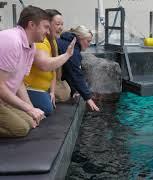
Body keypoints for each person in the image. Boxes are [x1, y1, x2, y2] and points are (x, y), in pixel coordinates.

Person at [0, 6, 49, 137]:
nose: (48, 32)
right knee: (20, 129)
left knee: (31, 122)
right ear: (32, 25)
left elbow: (19, 81)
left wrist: (31, 109)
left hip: (5, 100)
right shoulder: (11, 41)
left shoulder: (30, 46)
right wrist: (28, 109)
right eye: (45, 27)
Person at [24, 9, 73, 116]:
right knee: (48, 109)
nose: (61, 27)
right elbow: (45, 65)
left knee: (65, 93)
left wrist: (52, 91)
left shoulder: (53, 41)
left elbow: (53, 70)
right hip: (31, 87)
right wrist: (67, 55)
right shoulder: (41, 42)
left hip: (44, 88)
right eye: (57, 24)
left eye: (62, 24)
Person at [57, 25, 100, 112]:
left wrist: (74, 90)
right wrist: (88, 98)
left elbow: (68, 70)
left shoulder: (65, 42)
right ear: (80, 38)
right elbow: (75, 73)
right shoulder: (72, 49)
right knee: (64, 93)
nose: (89, 44)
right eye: (88, 41)